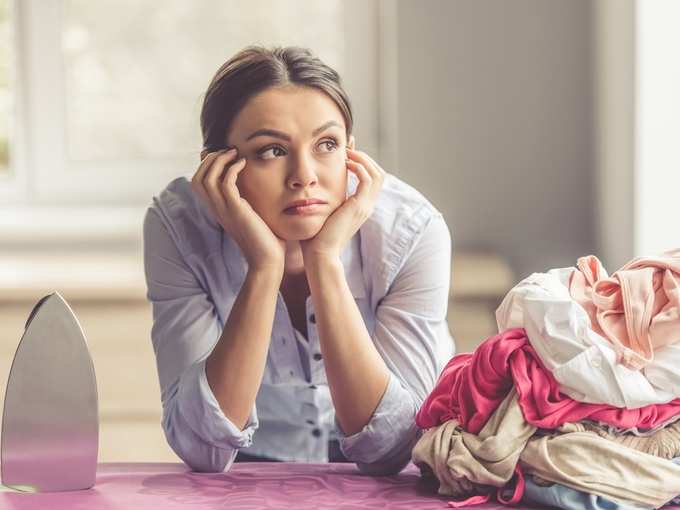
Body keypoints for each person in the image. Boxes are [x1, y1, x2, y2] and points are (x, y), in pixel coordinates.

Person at [142, 45, 455, 475]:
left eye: (327, 144)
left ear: (351, 152)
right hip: (250, 465)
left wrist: (324, 261)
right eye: (271, 150)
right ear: (217, 167)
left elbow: (391, 450)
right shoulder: (179, 228)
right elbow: (203, 450)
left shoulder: (412, 231)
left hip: (385, 480)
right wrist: (264, 267)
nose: (304, 175)